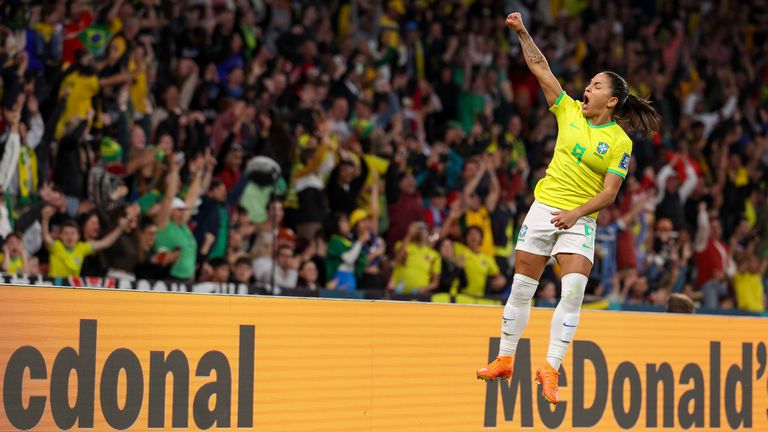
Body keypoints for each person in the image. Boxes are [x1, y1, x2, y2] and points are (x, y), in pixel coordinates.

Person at [476, 12, 661, 407]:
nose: (586, 88)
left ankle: (550, 368)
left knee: (573, 290)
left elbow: (611, 193)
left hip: (580, 219)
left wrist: (577, 214)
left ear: (611, 100)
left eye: (595, 86)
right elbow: (541, 69)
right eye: (589, 83)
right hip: (544, 208)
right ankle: (505, 359)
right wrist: (522, 32)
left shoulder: (619, 142)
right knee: (522, 287)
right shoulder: (568, 111)